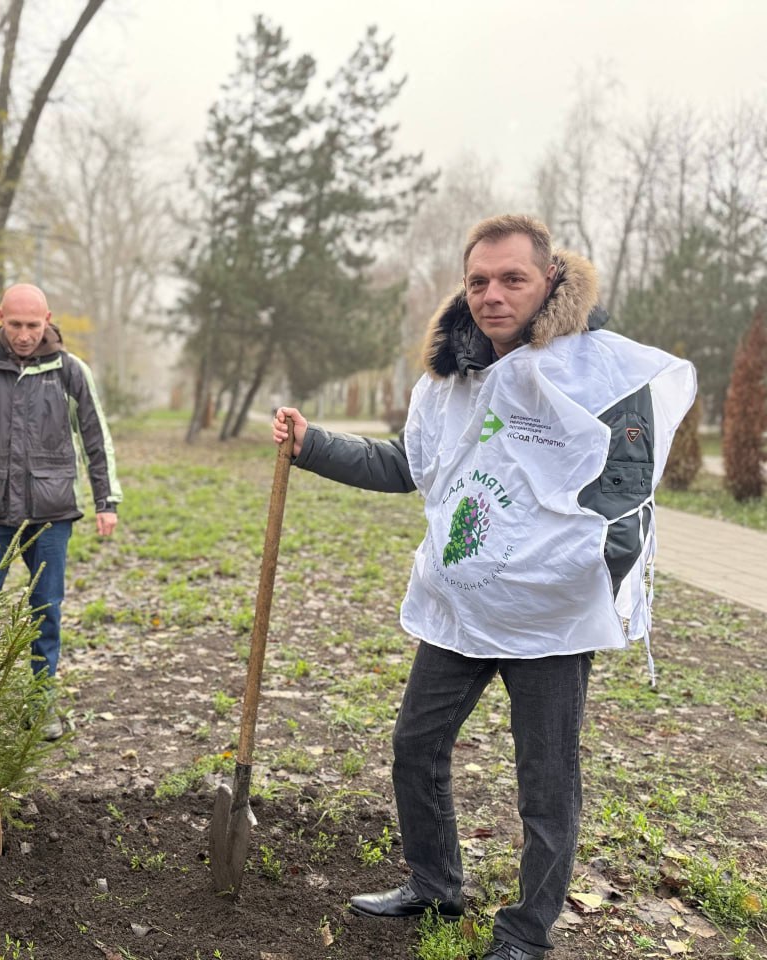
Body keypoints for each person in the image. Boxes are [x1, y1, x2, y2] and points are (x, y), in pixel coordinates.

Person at [272, 215, 695, 960]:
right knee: (415, 746)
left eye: (512, 279)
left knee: (546, 784)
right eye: (478, 281)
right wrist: (314, 445)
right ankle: (435, 884)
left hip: (550, 620)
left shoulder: (596, 372)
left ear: (550, 280)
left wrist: (583, 575)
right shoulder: (452, 379)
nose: (492, 294)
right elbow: (407, 465)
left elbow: (627, 492)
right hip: (461, 608)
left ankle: (527, 932)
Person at [0, 283, 122, 738]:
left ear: (48, 320)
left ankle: (40, 705)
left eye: (33, 325)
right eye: (15, 324)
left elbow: (95, 438)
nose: (23, 335)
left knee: (46, 610)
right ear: (0, 317)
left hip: (52, 513)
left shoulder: (70, 371)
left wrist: (106, 500)